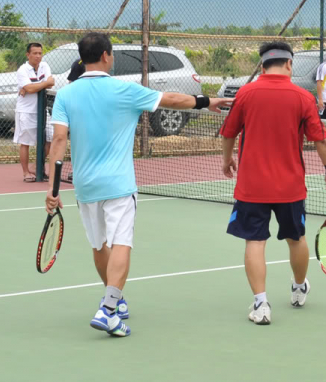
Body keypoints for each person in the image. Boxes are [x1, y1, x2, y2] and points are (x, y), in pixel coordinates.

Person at [45, 32, 232, 337]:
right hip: (118, 184)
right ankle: (107, 310)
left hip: (85, 185)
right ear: (106, 56)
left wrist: (52, 190)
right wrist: (206, 101)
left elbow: (59, 141)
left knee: (98, 245)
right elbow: (171, 99)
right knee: (121, 243)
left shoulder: (66, 94)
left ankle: (114, 300)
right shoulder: (125, 89)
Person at [220, 41, 326, 326]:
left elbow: (228, 133)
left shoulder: (246, 93)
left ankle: (261, 304)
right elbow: (320, 139)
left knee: (254, 241)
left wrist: (226, 161)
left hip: (252, 187)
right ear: (289, 64)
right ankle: (299, 289)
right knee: (296, 239)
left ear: (262, 66)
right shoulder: (302, 97)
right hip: (290, 187)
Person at [14, 42, 55, 182]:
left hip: (43, 110)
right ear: (28, 55)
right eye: (35, 53)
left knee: (50, 138)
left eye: (40, 53)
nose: (38, 56)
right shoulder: (22, 70)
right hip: (26, 111)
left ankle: (37, 167)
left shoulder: (45, 66)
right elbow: (31, 89)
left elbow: (51, 82)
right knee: (25, 143)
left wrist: (32, 87)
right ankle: (26, 173)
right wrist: (37, 86)